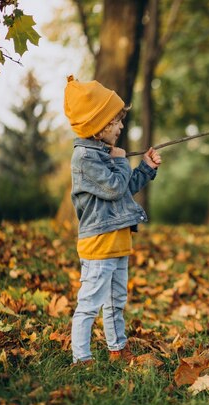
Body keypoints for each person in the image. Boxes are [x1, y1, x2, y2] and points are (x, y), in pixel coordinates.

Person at [63, 75, 162, 366]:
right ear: (99, 124)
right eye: (116, 122)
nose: (120, 127)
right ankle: (81, 357)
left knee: (116, 301)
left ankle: (117, 348)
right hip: (98, 244)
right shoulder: (85, 158)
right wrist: (120, 159)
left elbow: (125, 189)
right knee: (90, 303)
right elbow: (115, 186)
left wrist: (145, 168)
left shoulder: (105, 154)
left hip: (117, 240)